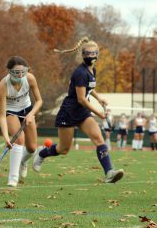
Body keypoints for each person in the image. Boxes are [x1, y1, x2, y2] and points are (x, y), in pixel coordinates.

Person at [33, 38, 124, 183]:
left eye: (93, 53)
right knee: (63, 149)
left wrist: (99, 98)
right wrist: (98, 113)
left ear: (97, 55)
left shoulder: (92, 70)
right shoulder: (80, 73)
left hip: (82, 113)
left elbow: (90, 87)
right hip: (69, 112)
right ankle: (42, 153)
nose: (90, 56)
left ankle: (109, 173)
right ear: (83, 55)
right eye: (87, 54)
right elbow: (81, 99)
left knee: (98, 138)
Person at [0, 56, 43, 187]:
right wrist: (6, 137)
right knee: (19, 139)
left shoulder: (30, 78)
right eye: (16, 72)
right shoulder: (3, 85)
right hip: (10, 111)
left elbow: (39, 101)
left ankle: (23, 161)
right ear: (9, 71)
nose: (20, 75)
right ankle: (13, 178)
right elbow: (1, 116)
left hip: (27, 110)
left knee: (32, 148)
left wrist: (31, 115)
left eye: (23, 71)